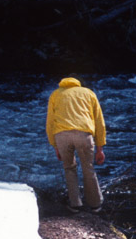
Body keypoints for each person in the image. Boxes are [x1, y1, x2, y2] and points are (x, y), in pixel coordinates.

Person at [46, 76, 107, 213]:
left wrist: (54, 145)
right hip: (83, 135)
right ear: (78, 84)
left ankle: (75, 204)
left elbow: (50, 122)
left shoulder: (55, 94)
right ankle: (95, 205)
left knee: (69, 168)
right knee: (88, 168)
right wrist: (100, 147)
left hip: (62, 136)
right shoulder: (88, 93)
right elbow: (99, 121)